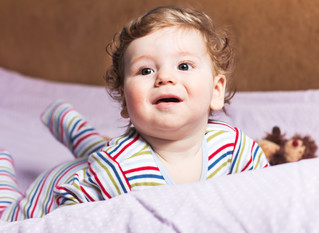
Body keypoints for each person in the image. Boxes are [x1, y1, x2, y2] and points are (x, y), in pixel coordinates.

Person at [0, 6, 269, 222]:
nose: (165, 76)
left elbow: (269, 197)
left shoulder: (235, 147)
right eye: (145, 71)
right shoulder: (116, 170)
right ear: (126, 103)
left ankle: (69, 123)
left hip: (108, 157)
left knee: (100, 148)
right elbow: (70, 225)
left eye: (184, 65)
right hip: (49, 197)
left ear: (216, 91)